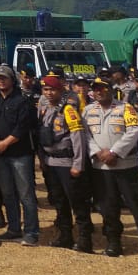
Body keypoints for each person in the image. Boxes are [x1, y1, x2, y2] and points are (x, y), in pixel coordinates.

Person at [83, 76, 138, 261]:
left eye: (103, 88)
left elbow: (134, 131)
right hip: (101, 167)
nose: (99, 92)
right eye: (96, 89)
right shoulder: (87, 111)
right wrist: (97, 153)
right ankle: (113, 241)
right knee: (108, 207)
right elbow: (85, 135)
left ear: (111, 89)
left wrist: (115, 152)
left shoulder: (126, 108)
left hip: (126, 166)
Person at [36, 74, 92, 253]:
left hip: (67, 162)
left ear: (60, 90)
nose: (49, 93)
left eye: (52, 89)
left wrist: (78, 164)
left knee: (77, 201)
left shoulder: (68, 110)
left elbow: (78, 139)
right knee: (59, 202)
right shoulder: (44, 109)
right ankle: (65, 235)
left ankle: (85, 238)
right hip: (51, 162)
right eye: (46, 90)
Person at [0, 64, 40, 246]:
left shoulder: (22, 100)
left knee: (26, 194)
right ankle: (14, 228)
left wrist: (5, 142)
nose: (1, 81)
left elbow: (23, 127)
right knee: (8, 194)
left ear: (12, 80)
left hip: (20, 154)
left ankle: (31, 232)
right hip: (0, 155)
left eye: (4, 78)